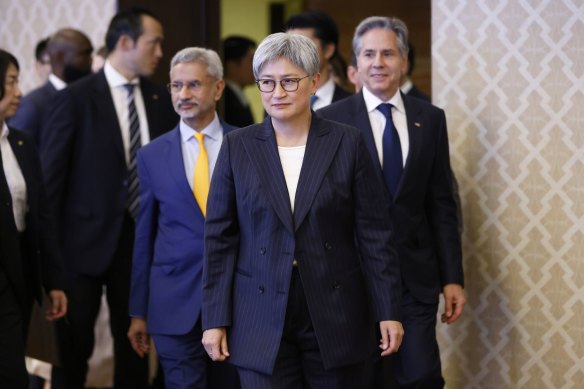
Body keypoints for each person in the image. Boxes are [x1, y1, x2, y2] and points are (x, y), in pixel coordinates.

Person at [201, 32, 403, 388]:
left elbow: (374, 234)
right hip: (259, 310)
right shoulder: (238, 147)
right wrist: (214, 318)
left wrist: (388, 310)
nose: (277, 93)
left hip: (333, 307)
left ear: (314, 82)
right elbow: (219, 239)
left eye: (289, 81)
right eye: (267, 82)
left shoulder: (347, 142)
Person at [319, 16, 466, 388]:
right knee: (363, 378)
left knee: (421, 376)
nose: (378, 62)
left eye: (388, 53)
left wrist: (452, 278)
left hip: (413, 276)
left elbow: (441, 203)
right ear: (354, 66)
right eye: (369, 54)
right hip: (353, 277)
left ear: (404, 61)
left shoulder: (430, 119)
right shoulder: (329, 121)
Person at [40, 7, 178, 389]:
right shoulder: (76, 98)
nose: (160, 52)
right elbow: (50, 185)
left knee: (134, 345)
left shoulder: (160, 99)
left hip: (140, 247)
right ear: (125, 42)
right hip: (79, 249)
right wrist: (50, 259)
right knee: (73, 349)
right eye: (154, 42)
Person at [128, 47, 240, 389]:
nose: (183, 95)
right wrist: (138, 311)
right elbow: (144, 235)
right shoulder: (151, 155)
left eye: (194, 85)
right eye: (176, 86)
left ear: (218, 89)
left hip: (236, 300)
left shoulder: (248, 144)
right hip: (173, 300)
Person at [0, 49, 67, 389]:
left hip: (20, 277)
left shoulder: (21, 142)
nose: (19, 92)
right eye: (11, 82)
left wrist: (53, 282)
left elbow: (42, 217)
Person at [9, 28, 93, 146]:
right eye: (83, 55)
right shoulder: (33, 104)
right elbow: (22, 152)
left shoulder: (88, 96)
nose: (90, 61)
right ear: (60, 56)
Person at [285, 10, 352, 110]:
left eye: (304, 46)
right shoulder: (278, 100)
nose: (295, 54)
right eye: (290, 46)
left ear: (328, 50)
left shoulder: (352, 105)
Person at [223, 36, 256, 127]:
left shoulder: (236, 94)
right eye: (251, 60)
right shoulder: (224, 99)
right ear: (232, 64)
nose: (256, 67)